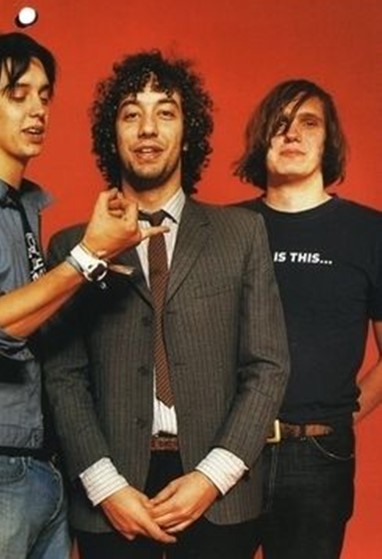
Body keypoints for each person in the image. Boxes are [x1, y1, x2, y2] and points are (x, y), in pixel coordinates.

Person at [0, 33, 164, 559]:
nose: (38, 110)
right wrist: (87, 257)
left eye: (45, 96)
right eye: (18, 94)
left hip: (42, 465)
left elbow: (40, 335)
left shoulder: (23, 208)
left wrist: (99, 271)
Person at [42, 51, 290, 559]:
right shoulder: (73, 246)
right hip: (112, 494)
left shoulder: (242, 234)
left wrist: (213, 475)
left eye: (166, 112)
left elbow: (268, 366)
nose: (148, 129)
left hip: (219, 495)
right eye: (131, 114)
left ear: (188, 132)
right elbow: (63, 376)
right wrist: (105, 486)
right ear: (112, 136)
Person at [235, 79, 382, 559]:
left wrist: (337, 417)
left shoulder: (369, 232)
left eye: (308, 122)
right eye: (279, 124)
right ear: (261, 139)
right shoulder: (224, 229)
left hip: (320, 453)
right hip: (228, 451)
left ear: (328, 141)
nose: (291, 133)